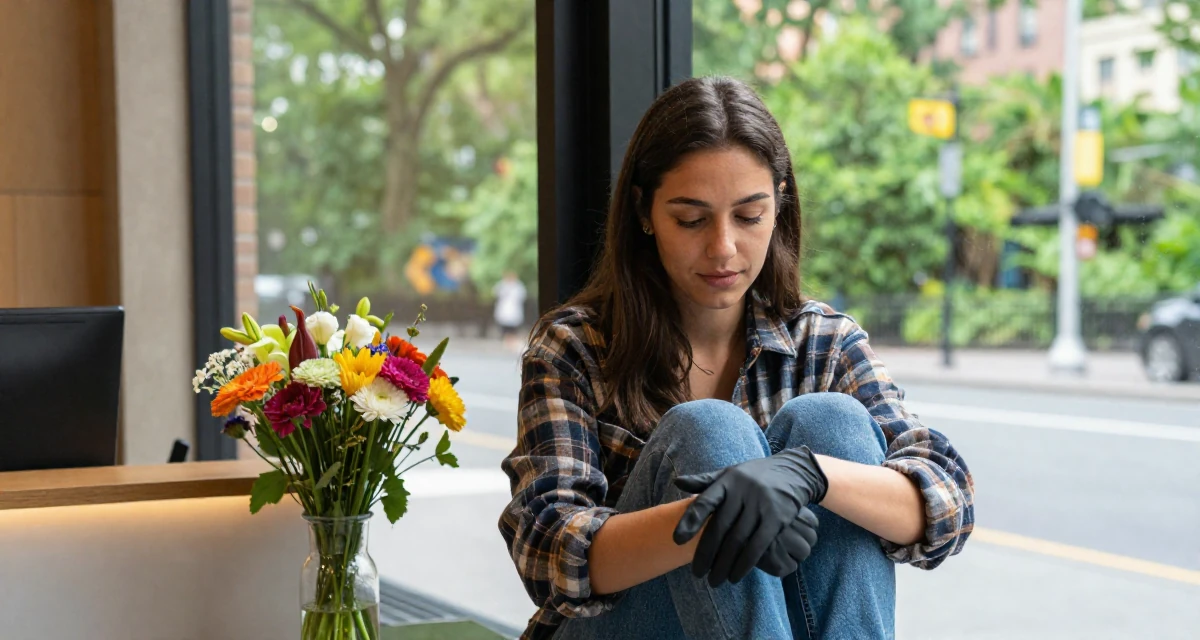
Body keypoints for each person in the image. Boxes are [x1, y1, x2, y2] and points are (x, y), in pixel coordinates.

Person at [498, 76, 975, 640]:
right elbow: (547, 549)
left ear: (779, 205)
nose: (722, 248)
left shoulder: (823, 341)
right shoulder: (575, 347)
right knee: (709, 431)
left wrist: (811, 475)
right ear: (644, 211)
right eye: (691, 219)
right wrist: (712, 516)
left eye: (749, 216)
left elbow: (949, 503)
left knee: (834, 423)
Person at [493, 271, 527, 351]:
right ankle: (507, 342)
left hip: (514, 312)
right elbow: (496, 292)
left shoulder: (518, 286)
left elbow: (522, 296)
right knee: (505, 328)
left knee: (513, 329)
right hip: (504, 311)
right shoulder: (502, 285)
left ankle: (512, 342)